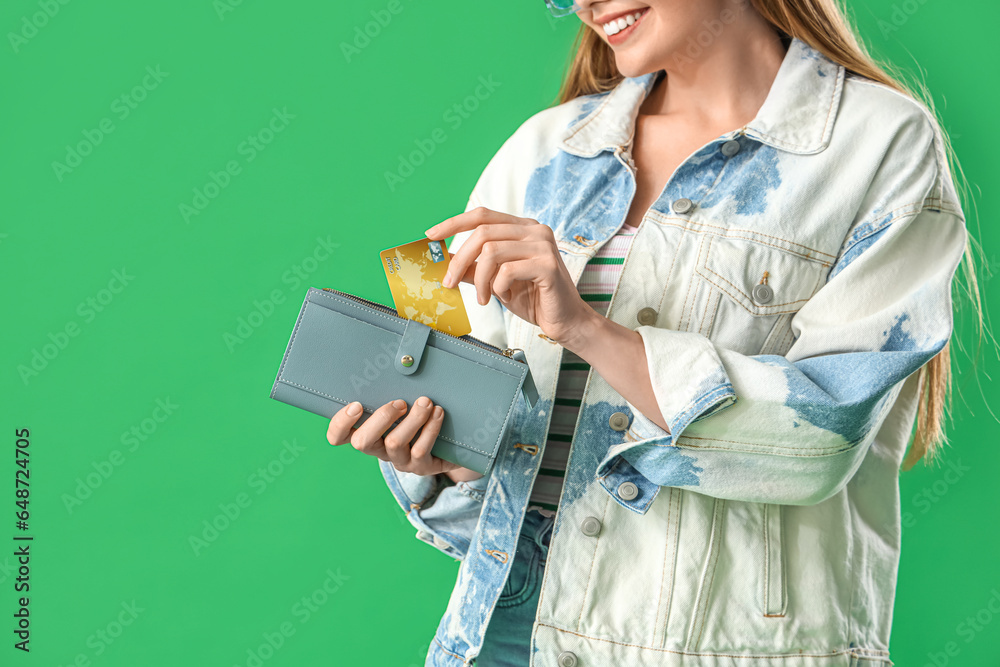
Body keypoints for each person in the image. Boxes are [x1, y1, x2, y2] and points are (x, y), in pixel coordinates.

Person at [326, 0, 978, 665]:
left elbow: (822, 438)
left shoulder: (878, 143)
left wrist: (584, 328)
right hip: (505, 636)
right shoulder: (544, 150)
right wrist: (443, 458)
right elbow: (499, 494)